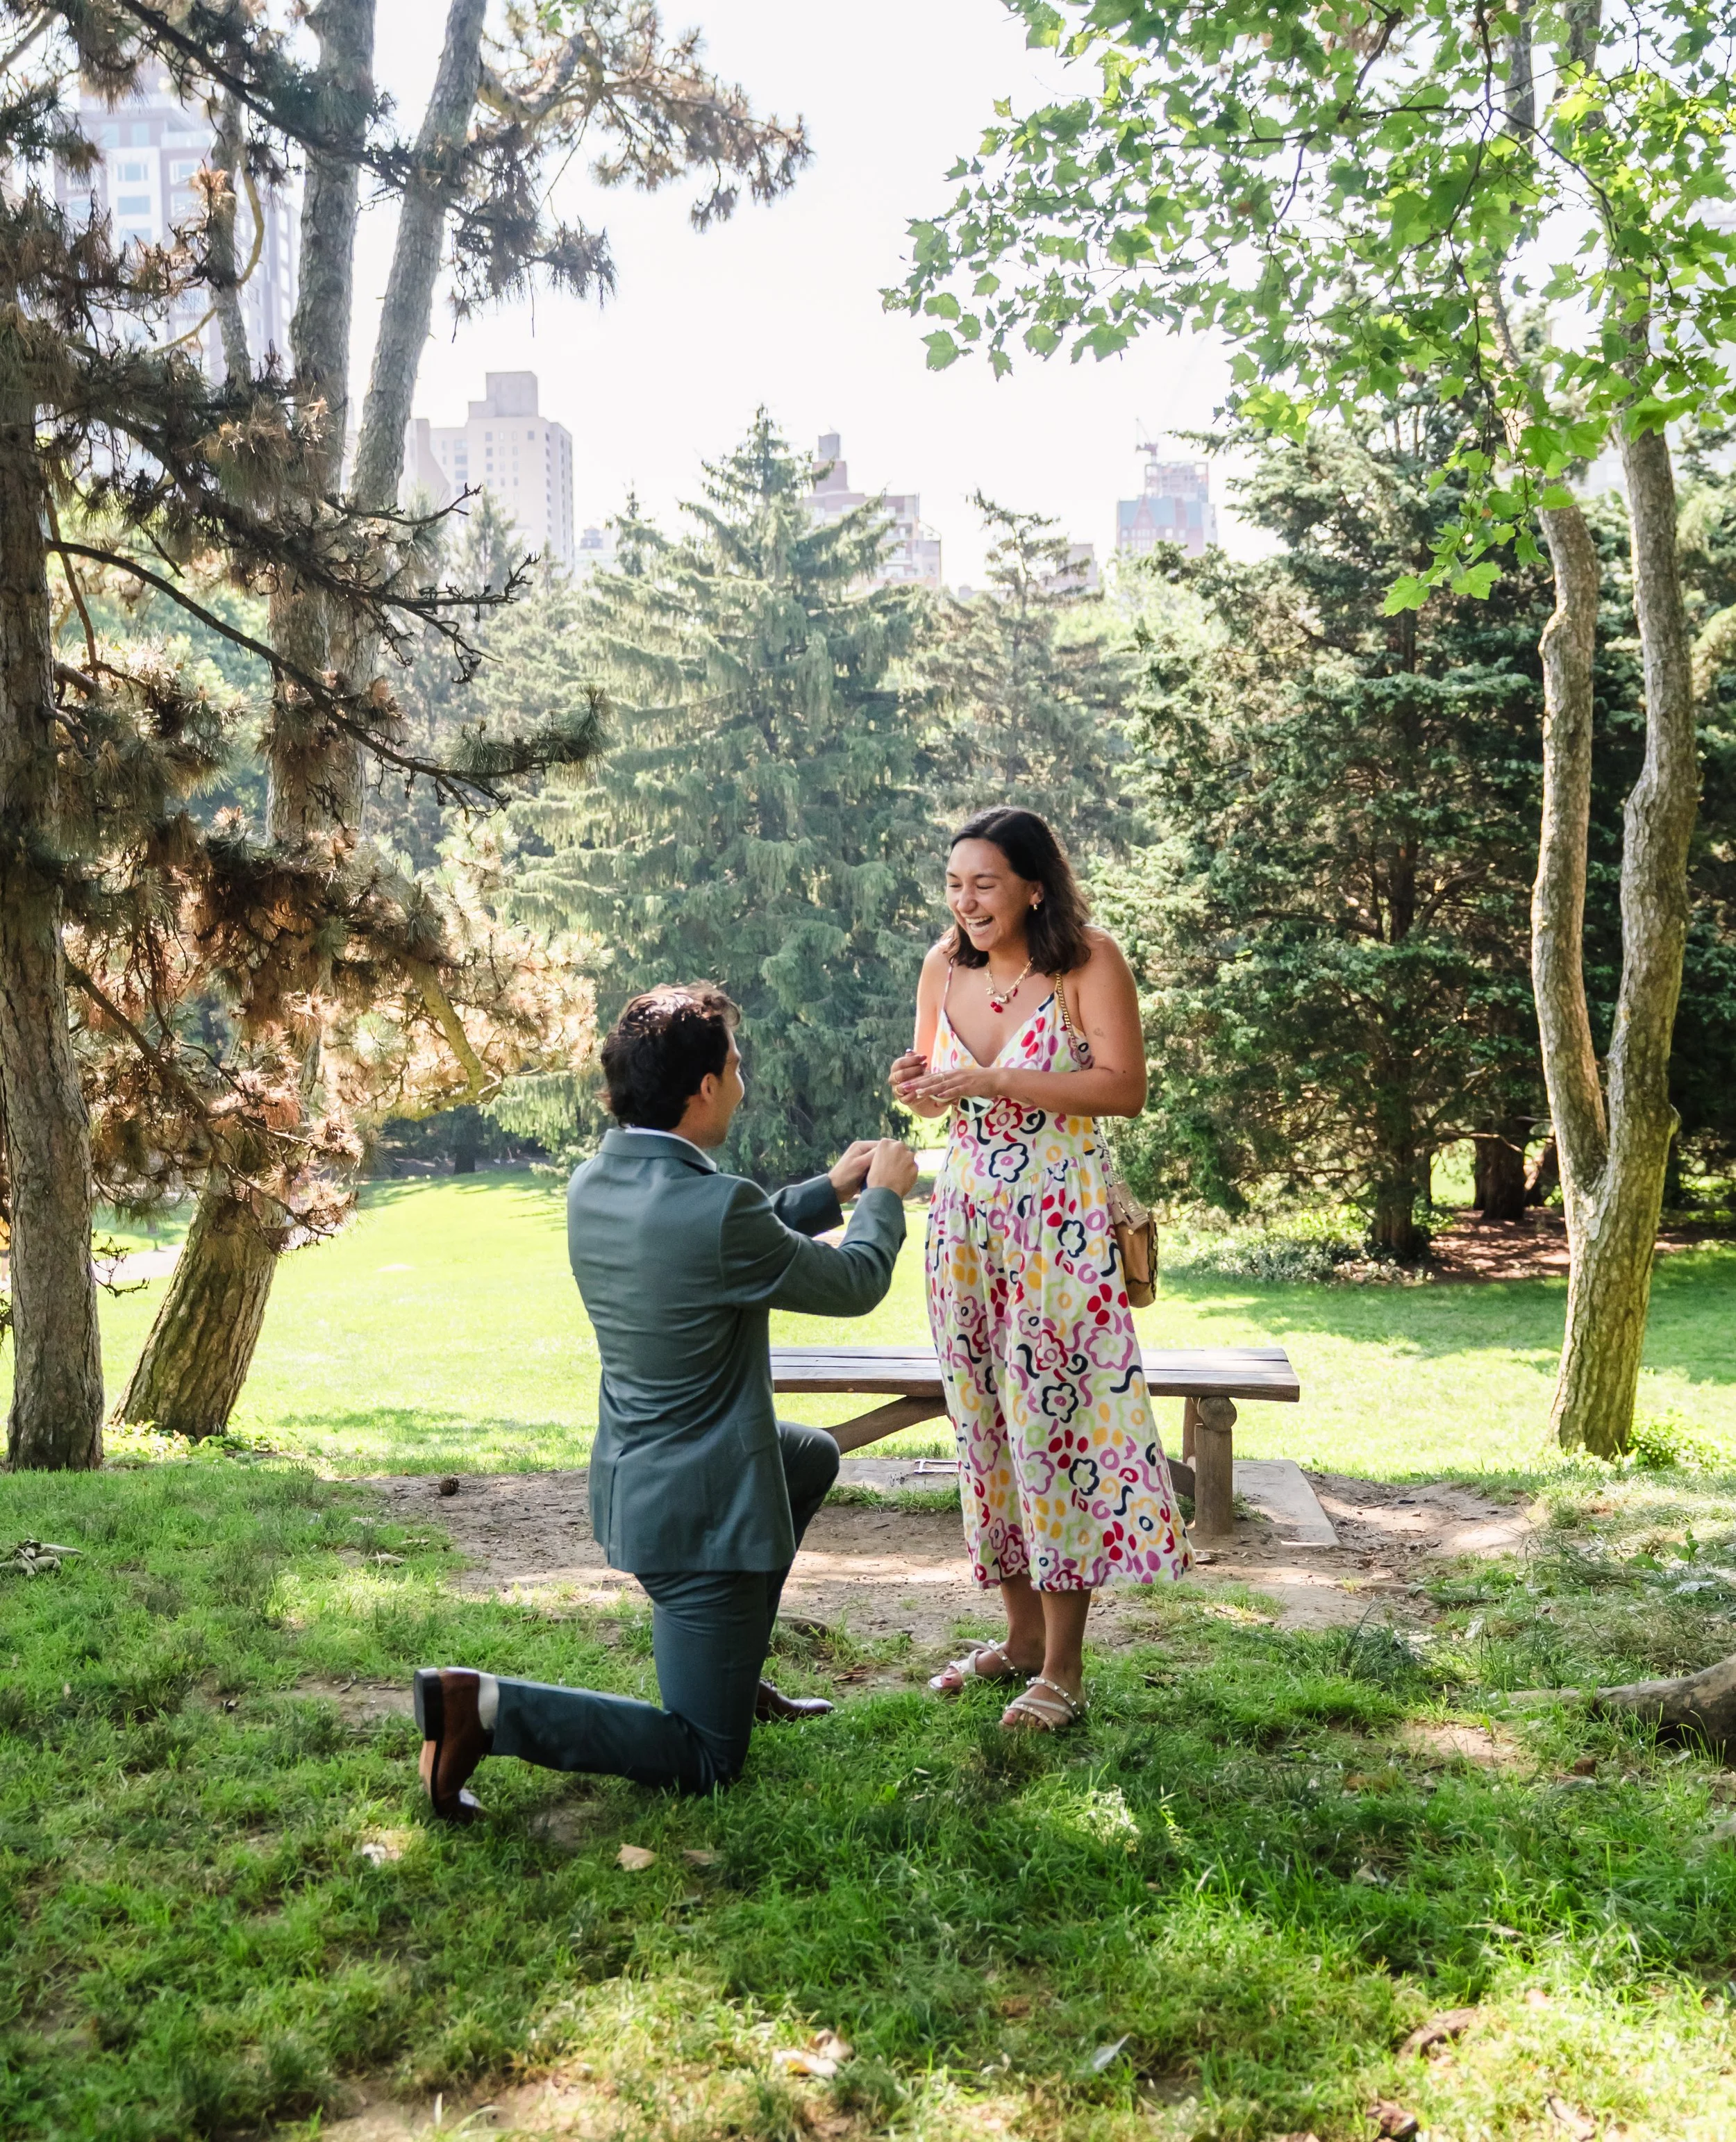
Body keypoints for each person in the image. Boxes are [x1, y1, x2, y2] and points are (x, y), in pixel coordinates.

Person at [414, 984, 918, 1821]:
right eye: (736, 1065)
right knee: (708, 1757)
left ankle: (730, 1666)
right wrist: (883, 1198)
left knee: (810, 1454)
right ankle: (486, 1709)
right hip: (703, 1518)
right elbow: (854, 1280)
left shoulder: (595, 1182)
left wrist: (829, 1188)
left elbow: (732, 1236)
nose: (743, 1081)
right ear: (706, 1089)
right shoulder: (717, 1211)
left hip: (636, 1481)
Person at [890, 808, 1190, 1733]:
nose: (965, 901)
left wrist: (996, 1080)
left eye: (983, 883)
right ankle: (1018, 1639)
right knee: (983, 1429)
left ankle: (1064, 1668)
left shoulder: (1088, 961)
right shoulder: (944, 968)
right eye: (954, 884)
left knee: (1054, 1431)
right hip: (965, 1228)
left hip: (1057, 1230)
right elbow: (941, 1103)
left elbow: (1123, 1088)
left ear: (1032, 885)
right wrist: (919, 1089)